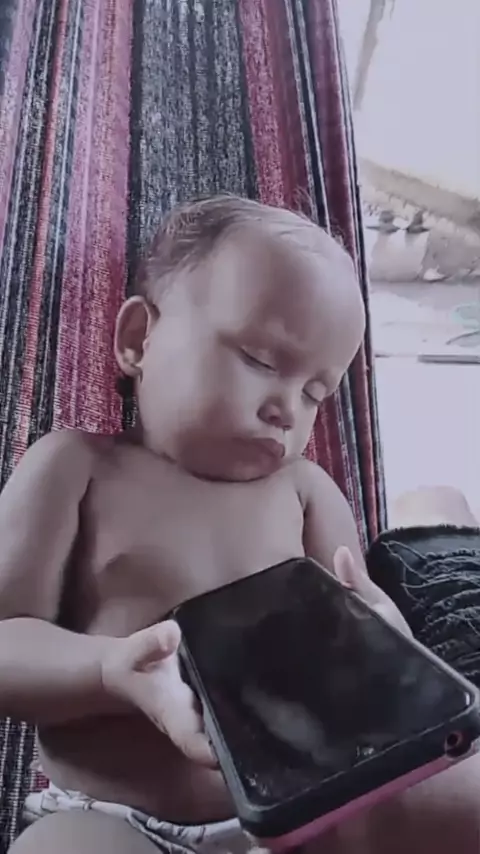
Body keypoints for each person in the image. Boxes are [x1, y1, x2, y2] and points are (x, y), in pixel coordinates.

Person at [0, 195, 475, 854]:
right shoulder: (75, 470)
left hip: (305, 811)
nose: (287, 408)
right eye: (259, 360)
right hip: (115, 817)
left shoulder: (307, 493)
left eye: (315, 393)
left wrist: (386, 650)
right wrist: (109, 670)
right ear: (139, 339)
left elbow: (356, 664)